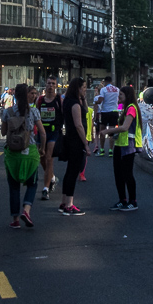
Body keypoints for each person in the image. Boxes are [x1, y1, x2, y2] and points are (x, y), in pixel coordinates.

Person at [1, 84, 43, 229]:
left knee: (14, 187)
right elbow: (42, 132)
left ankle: (15, 219)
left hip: (13, 154)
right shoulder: (34, 112)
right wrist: (42, 148)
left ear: (15, 96)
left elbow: (3, 132)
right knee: (32, 184)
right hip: (30, 152)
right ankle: (26, 210)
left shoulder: (7, 112)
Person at [101, 84, 143, 211]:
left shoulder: (131, 108)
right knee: (118, 174)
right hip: (120, 144)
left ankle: (132, 200)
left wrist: (107, 131)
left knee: (127, 174)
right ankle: (122, 200)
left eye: (121, 94)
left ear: (127, 95)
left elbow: (125, 127)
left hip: (128, 146)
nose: (118, 97)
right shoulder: (124, 108)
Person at [59, 77, 90, 216]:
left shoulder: (69, 101)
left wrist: (83, 98)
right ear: (77, 88)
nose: (85, 90)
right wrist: (85, 144)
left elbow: (87, 111)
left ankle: (64, 201)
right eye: (83, 88)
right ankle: (69, 204)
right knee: (73, 171)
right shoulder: (74, 105)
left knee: (69, 171)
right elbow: (78, 124)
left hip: (69, 139)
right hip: (76, 141)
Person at [37, 75, 63, 200]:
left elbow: (64, 114)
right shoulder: (40, 100)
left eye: (53, 83)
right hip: (41, 133)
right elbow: (36, 115)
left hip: (54, 132)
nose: (51, 86)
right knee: (41, 158)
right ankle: (52, 177)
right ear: (45, 85)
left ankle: (45, 189)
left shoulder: (59, 100)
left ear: (56, 86)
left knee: (49, 158)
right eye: (49, 83)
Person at [93, 76, 120, 157]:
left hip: (105, 112)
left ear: (105, 82)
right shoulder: (117, 89)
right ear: (111, 81)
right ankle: (111, 150)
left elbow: (100, 100)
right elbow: (119, 100)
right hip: (114, 111)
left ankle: (102, 150)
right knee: (111, 131)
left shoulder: (103, 89)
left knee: (102, 131)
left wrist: (96, 102)